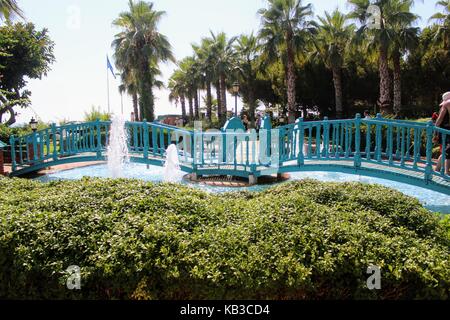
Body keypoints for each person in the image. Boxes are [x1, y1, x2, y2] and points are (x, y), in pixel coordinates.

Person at [434, 92, 450, 174]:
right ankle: (446, 171)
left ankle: (437, 168)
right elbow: (439, 119)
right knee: (448, 150)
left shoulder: (446, 105)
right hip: (445, 131)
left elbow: (439, 120)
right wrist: (435, 130)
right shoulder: (446, 105)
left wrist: (435, 130)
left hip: (445, 130)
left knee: (446, 150)